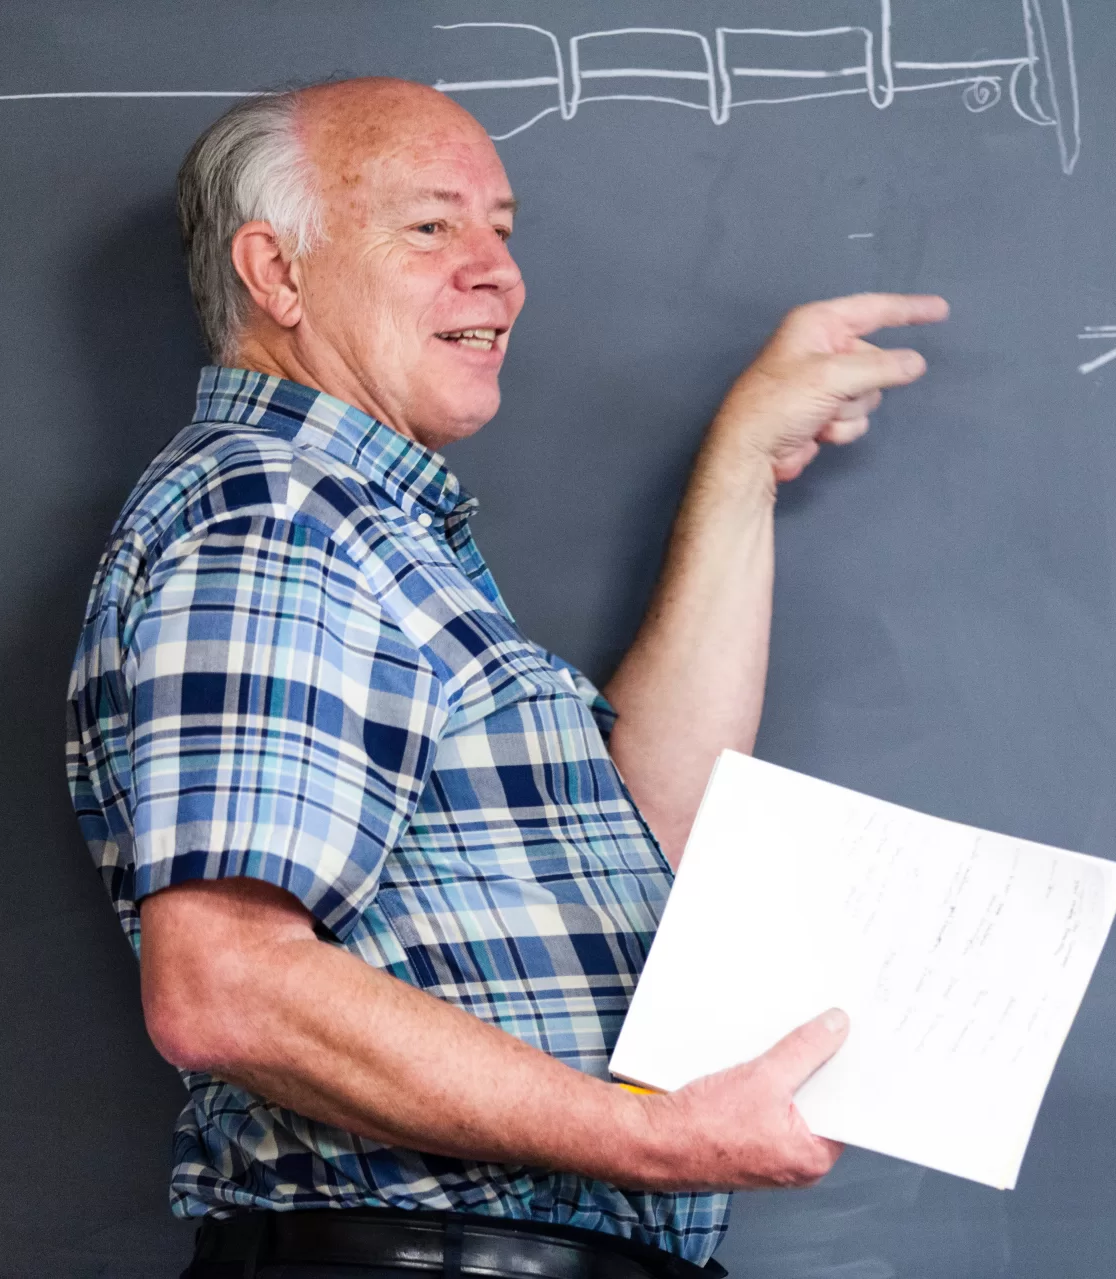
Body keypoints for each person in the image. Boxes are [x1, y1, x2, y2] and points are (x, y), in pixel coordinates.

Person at [64, 76, 947, 1278]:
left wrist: (743, 462)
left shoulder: (374, 531)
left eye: (502, 230)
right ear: (275, 275)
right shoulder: (274, 516)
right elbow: (225, 986)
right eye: (431, 226)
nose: (498, 271)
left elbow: (644, 825)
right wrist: (653, 1136)